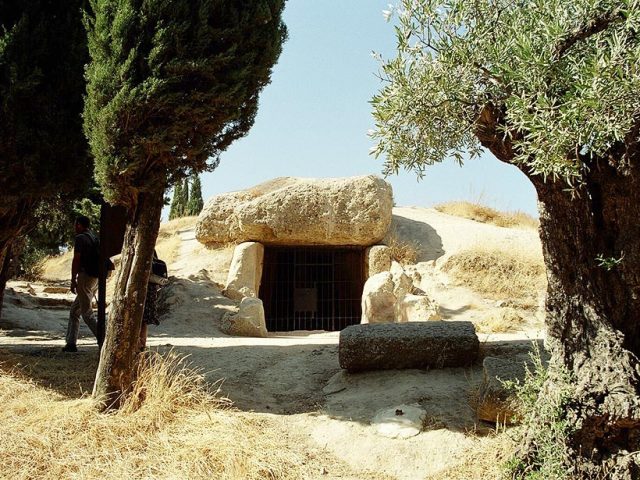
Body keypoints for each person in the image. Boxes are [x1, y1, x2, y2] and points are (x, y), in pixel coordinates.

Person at [62, 216, 100, 352]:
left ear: (79, 225)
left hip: (85, 277)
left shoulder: (80, 238)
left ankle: (104, 339)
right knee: (74, 311)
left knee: (87, 313)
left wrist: (73, 279)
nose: (74, 227)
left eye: (75, 224)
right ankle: (71, 343)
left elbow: (76, 260)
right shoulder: (94, 237)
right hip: (96, 277)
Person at [139, 250, 167, 351]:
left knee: (139, 320)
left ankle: (139, 344)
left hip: (142, 289)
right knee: (144, 321)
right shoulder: (152, 252)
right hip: (151, 289)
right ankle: (142, 344)